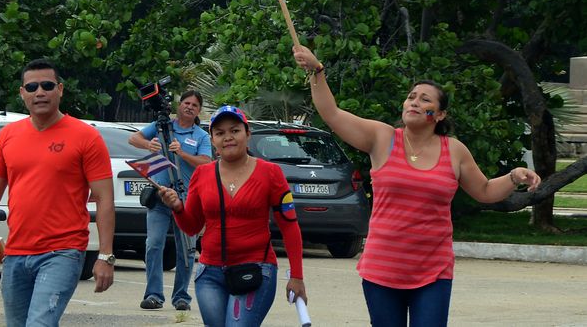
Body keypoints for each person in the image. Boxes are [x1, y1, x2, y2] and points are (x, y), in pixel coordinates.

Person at [292, 44, 541, 327]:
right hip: (382, 269)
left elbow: (484, 191)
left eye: (424, 100)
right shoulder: (383, 138)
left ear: (440, 114)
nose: (414, 103)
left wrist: (513, 177)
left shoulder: (454, 150)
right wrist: (317, 70)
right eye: (411, 97)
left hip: (433, 271)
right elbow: (332, 114)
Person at [0, 58, 115, 326]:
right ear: (22, 93)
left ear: (60, 89)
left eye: (47, 86)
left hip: (62, 253)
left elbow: (105, 199)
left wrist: (105, 256)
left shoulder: (86, 137)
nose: (40, 92)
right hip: (15, 253)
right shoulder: (8, 136)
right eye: (32, 87)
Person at [157, 105, 307, 327]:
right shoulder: (202, 174)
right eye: (220, 133)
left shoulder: (271, 173)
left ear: (248, 134)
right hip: (210, 274)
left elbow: (290, 226)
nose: (228, 137)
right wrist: (177, 208)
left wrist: (297, 276)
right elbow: (192, 227)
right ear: (213, 140)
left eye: (235, 130)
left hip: (255, 270)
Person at [128, 89, 213, 311]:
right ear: (179, 105)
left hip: (187, 200)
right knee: (153, 245)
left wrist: (182, 153)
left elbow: (206, 163)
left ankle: (181, 297)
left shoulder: (201, 135)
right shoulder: (162, 126)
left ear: (199, 111)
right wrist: (148, 145)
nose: (189, 107)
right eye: (186, 103)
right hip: (160, 196)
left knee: (186, 249)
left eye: (194, 105)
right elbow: (133, 138)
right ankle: (153, 295)